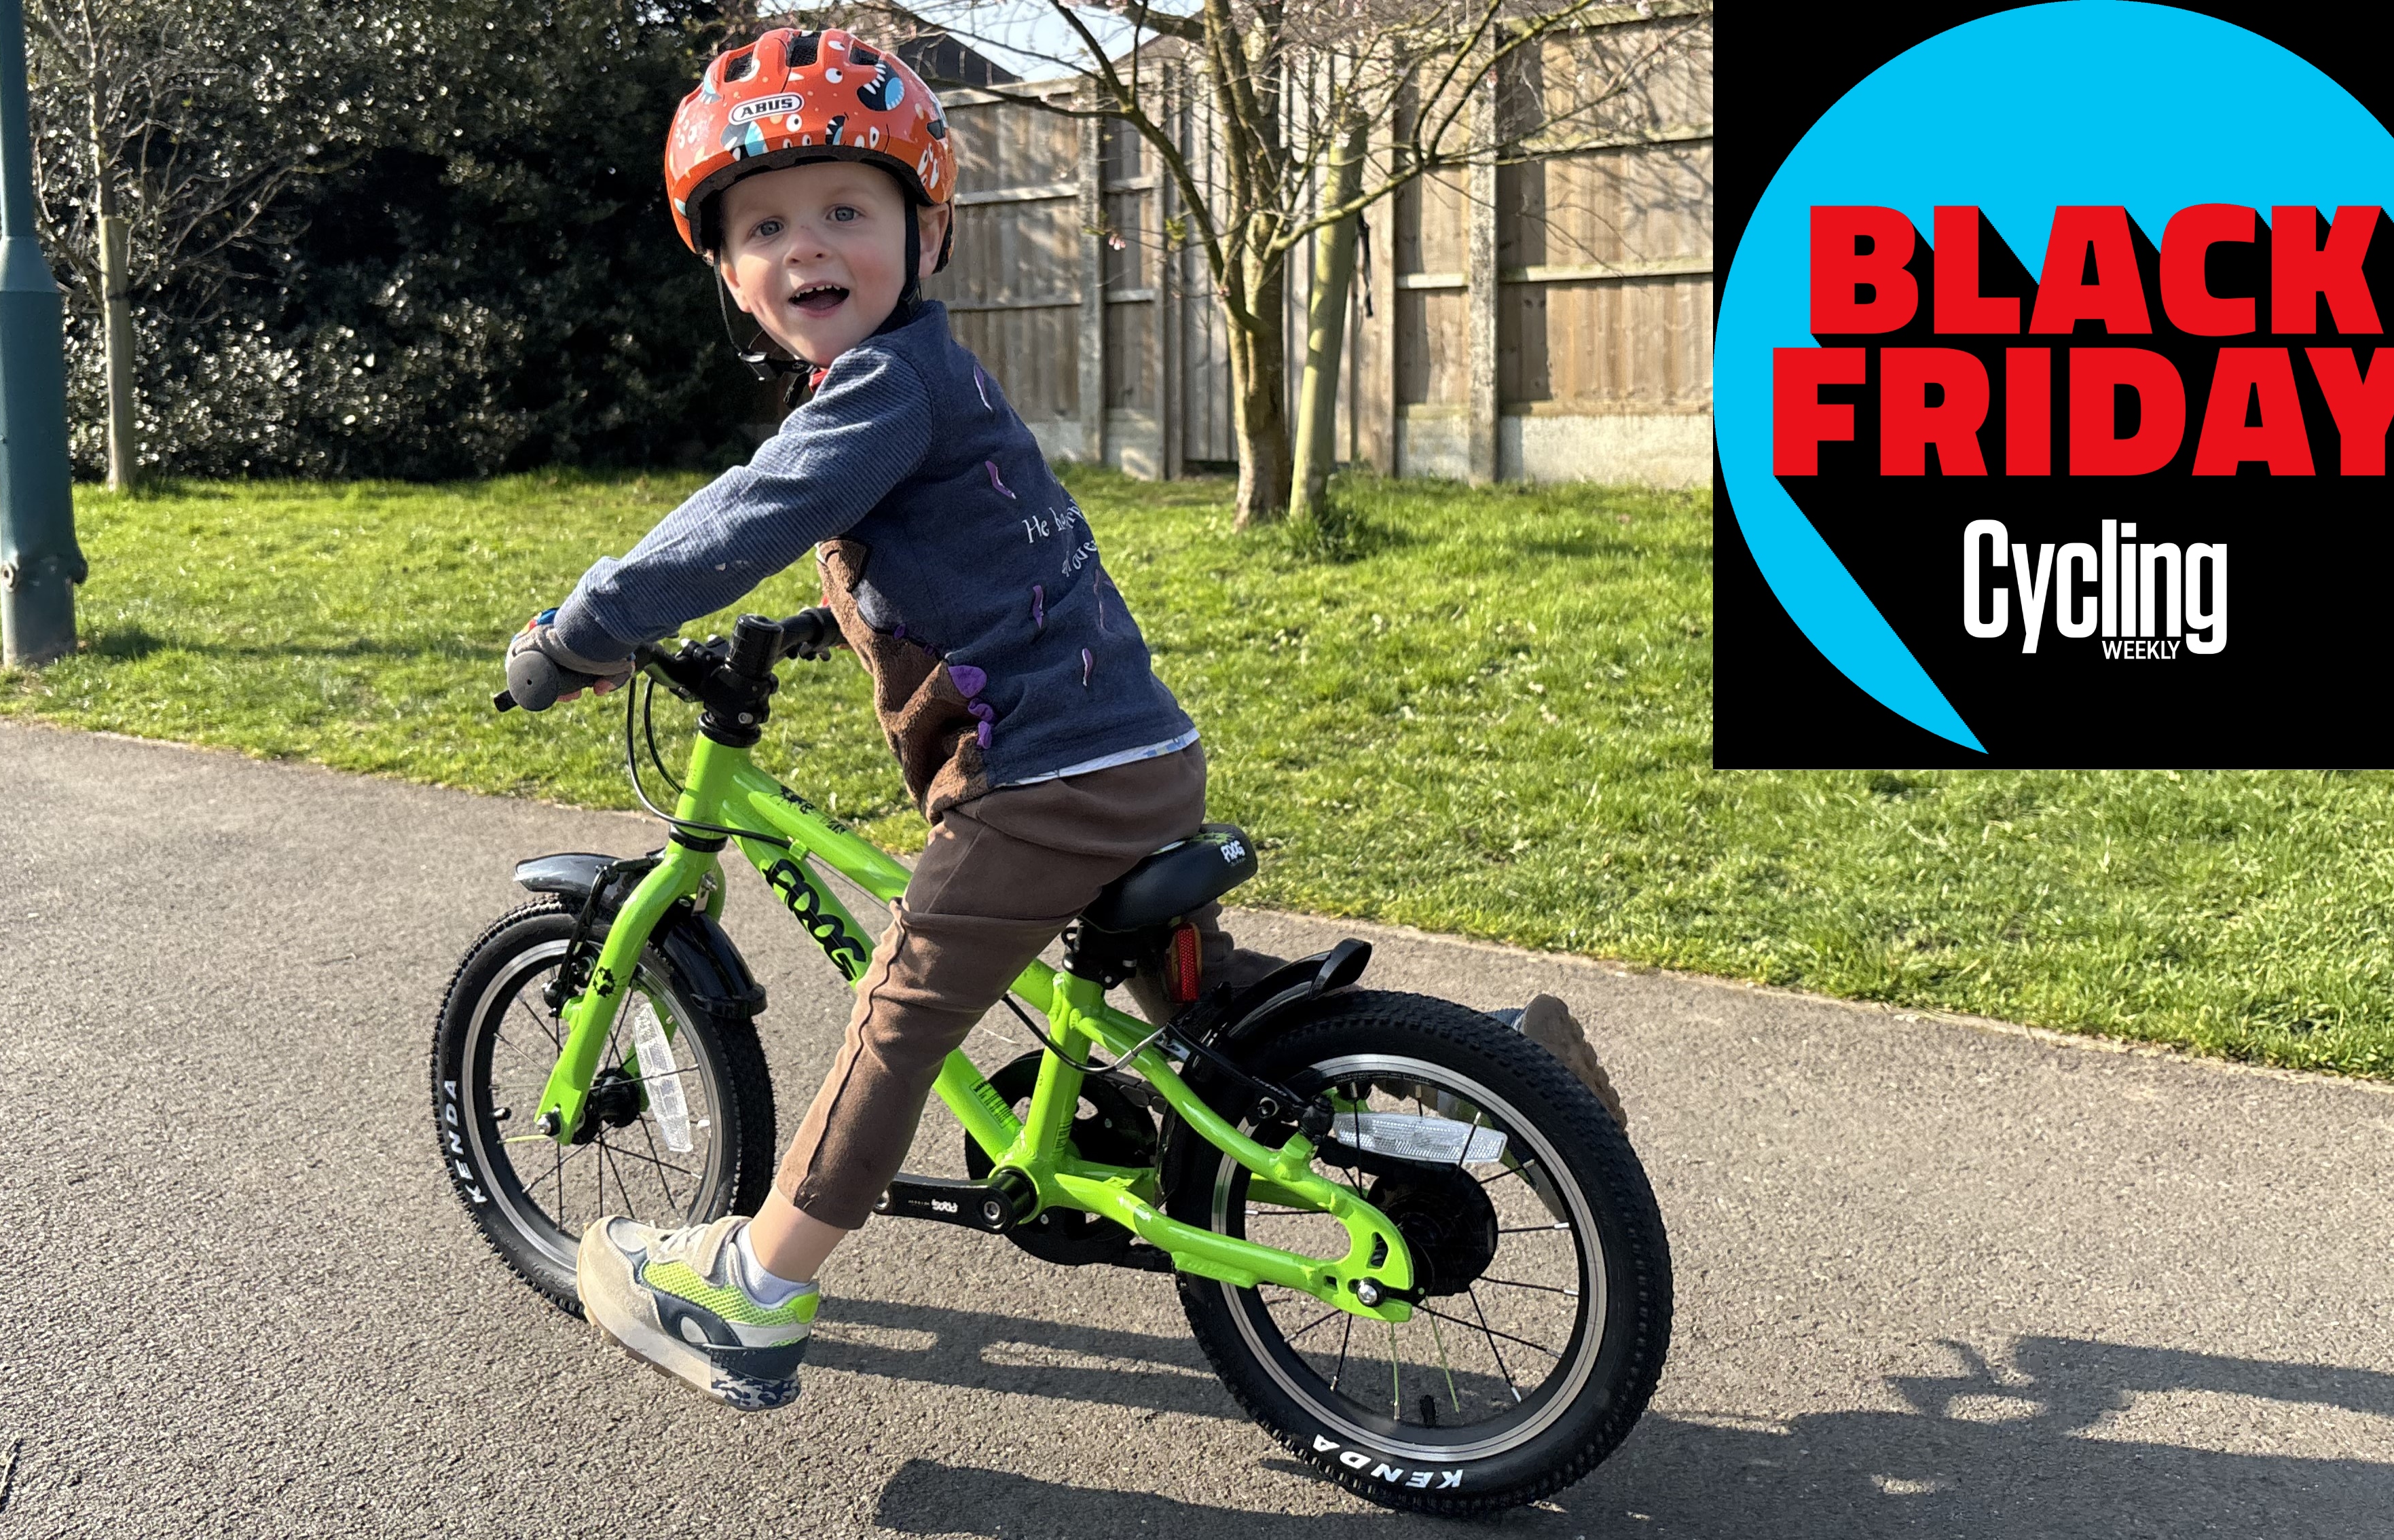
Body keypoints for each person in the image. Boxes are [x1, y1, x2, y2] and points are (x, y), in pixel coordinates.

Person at [502, 25, 1621, 1414]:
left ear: (928, 229)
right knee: (1190, 1010)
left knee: (902, 1009)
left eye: (846, 209)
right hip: (1138, 751)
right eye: (766, 226)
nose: (808, 248)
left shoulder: (880, 390)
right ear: (726, 273)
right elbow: (968, 563)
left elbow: (740, 519)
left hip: (1039, 783)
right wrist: (815, 624)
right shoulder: (926, 381)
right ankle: (1477, 1088)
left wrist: (583, 630)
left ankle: (756, 1286)